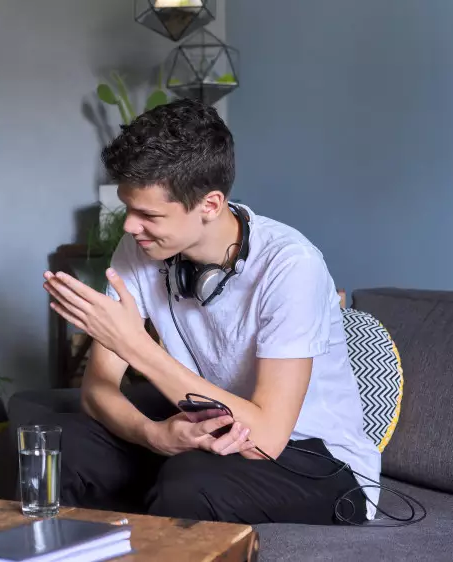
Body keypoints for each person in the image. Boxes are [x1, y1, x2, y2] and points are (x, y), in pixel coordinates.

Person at [22, 99, 379, 525]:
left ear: (210, 204)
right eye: (127, 208)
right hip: (211, 430)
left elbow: (266, 439)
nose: (130, 226)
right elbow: (97, 392)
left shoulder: (290, 266)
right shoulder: (140, 247)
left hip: (314, 458)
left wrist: (135, 347)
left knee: (190, 481)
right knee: (59, 443)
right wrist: (154, 435)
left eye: (148, 214)